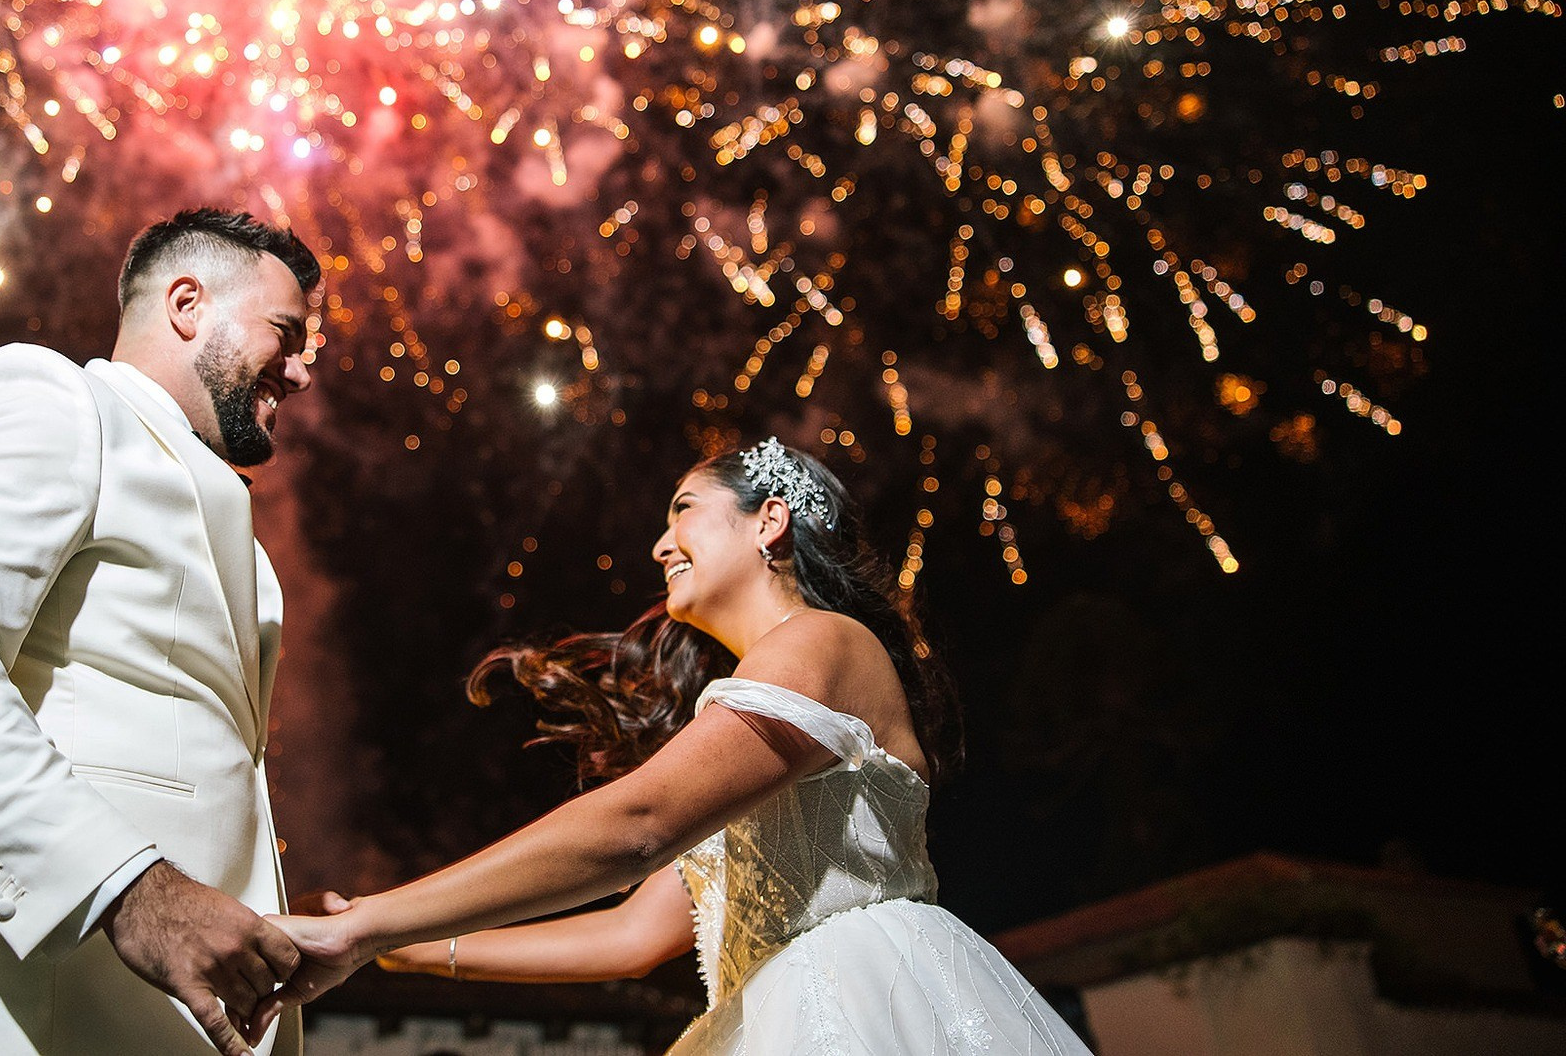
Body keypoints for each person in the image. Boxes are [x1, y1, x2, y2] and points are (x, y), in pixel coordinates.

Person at [264, 438, 1089, 1054]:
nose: (660, 545)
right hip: (772, 1009)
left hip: (861, 1001)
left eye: (683, 510)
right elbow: (629, 936)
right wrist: (407, 946)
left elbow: (640, 822)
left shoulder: (824, 642)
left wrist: (370, 918)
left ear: (769, 520)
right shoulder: (757, 702)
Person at [0, 208, 324, 1056]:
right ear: (187, 304)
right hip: (14, 1019)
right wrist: (130, 891)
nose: (302, 372)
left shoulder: (240, 540)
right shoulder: (54, 397)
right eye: (286, 332)